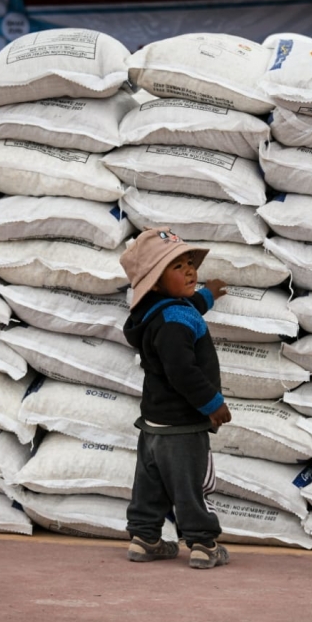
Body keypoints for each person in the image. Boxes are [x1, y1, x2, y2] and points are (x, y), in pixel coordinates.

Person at [119, 227, 233, 569]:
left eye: (189, 263)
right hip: (183, 427)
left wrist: (208, 296)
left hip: (152, 424)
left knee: (149, 487)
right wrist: (213, 404)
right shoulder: (176, 321)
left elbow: (186, 306)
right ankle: (203, 544)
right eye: (176, 266)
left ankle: (144, 538)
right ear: (154, 281)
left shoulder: (154, 312)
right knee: (189, 487)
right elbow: (182, 372)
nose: (189, 271)